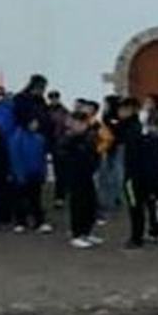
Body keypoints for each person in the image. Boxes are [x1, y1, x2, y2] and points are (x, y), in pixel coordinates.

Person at [125, 110, 158, 248]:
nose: (157, 129)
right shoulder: (138, 138)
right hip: (135, 180)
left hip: (154, 182)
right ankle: (136, 237)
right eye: (154, 125)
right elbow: (132, 160)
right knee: (136, 209)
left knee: (156, 206)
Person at [55, 106, 102, 249]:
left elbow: (96, 154)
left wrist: (94, 165)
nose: (79, 126)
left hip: (88, 175)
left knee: (90, 204)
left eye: (82, 123)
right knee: (78, 204)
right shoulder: (68, 138)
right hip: (75, 176)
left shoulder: (90, 136)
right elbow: (61, 154)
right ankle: (76, 234)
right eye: (76, 123)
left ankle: (86, 232)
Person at [8, 113, 51, 234]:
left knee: (36, 199)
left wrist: (44, 172)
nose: (36, 125)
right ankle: (20, 222)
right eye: (33, 122)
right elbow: (15, 158)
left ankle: (39, 222)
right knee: (20, 199)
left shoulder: (39, 138)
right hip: (22, 174)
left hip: (36, 174)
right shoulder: (17, 137)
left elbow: (42, 157)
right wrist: (19, 174)